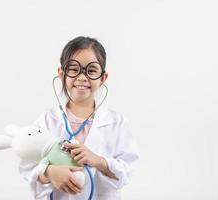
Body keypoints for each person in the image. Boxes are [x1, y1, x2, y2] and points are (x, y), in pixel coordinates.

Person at [19, 36, 139, 200]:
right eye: (73, 69)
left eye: (91, 70)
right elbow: (27, 166)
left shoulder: (116, 123)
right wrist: (49, 172)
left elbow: (127, 170)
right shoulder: (48, 120)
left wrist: (98, 160)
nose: (82, 77)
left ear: (103, 77)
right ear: (62, 74)